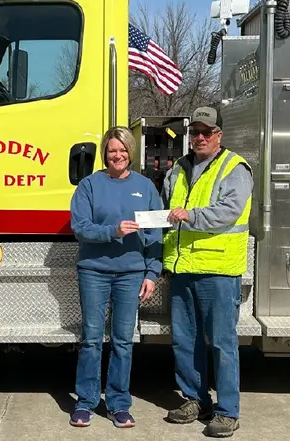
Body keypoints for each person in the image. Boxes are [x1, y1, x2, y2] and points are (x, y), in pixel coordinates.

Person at [161, 106, 253, 438]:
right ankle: (195, 400)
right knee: (184, 342)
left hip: (218, 270)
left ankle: (227, 412)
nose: (200, 137)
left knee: (222, 343)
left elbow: (229, 211)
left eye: (207, 132)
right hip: (182, 268)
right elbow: (165, 209)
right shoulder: (178, 168)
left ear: (219, 135)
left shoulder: (235, 167)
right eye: (195, 131)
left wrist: (191, 216)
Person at [67, 126, 164, 429]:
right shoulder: (89, 185)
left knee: (123, 341)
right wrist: (113, 231)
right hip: (94, 271)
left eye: (122, 150)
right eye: (112, 150)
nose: (117, 155)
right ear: (104, 154)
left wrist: (151, 272)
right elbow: (80, 227)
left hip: (131, 274)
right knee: (92, 339)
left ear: (130, 152)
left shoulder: (145, 187)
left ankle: (119, 404)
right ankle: (86, 402)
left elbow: (155, 234)